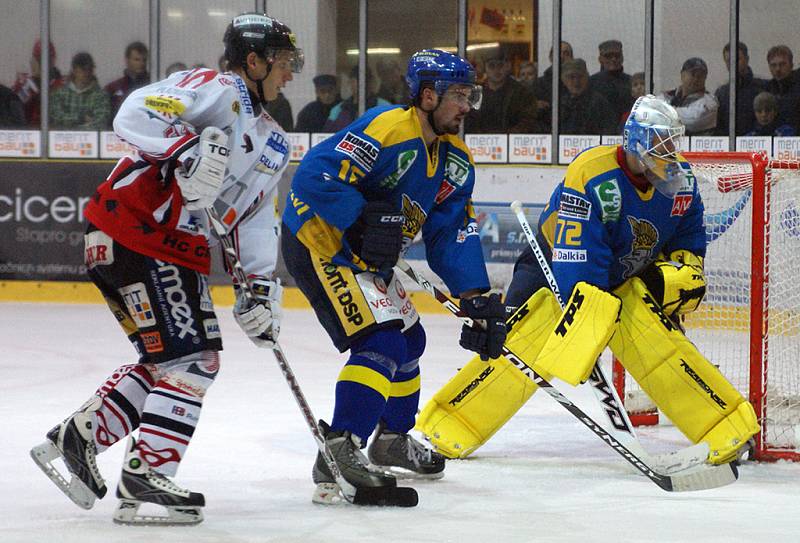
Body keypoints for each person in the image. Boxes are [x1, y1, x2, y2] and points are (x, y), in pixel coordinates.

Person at [30, 12, 303, 525]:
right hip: (141, 232)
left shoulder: (272, 143)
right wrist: (185, 150)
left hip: (149, 244)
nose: (291, 73)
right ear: (254, 61)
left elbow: (254, 219)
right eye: (284, 62)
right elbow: (136, 112)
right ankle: (145, 474)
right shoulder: (217, 87)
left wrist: (262, 287)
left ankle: (79, 437)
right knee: (195, 359)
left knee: (167, 360)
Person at [418, 95, 759, 466]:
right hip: (550, 269)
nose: (669, 151)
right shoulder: (594, 174)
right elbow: (578, 258)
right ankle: (444, 430)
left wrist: (677, 277)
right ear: (636, 140)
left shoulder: (681, 183)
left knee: (661, 347)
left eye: (672, 141)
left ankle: (728, 431)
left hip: (620, 277)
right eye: (661, 141)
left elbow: (688, 238)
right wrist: (588, 324)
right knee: (515, 351)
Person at [282, 49, 506, 504]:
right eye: (459, 95)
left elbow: (450, 232)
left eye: (470, 95)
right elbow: (313, 176)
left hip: (368, 255)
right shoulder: (386, 128)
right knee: (381, 342)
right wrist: (361, 218)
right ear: (428, 95)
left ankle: (391, 439)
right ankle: (339, 450)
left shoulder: (456, 160)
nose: (467, 106)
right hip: (322, 242)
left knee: (411, 341)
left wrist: (476, 295)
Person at [464, 51, 540, 133]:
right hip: (478, 143)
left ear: (507, 67)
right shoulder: (476, 93)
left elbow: (528, 121)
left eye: (500, 65)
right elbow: (469, 121)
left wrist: (507, 137)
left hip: (511, 142)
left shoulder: (522, 93)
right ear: (484, 68)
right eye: (491, 66)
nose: (497, 70)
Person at [49, 52, 111, 130]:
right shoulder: (60, 94)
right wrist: (81, 118)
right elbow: (56, 118)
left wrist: (73, 128)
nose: (87, 73)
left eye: (90, 69)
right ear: (74, 70)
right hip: (62, 140)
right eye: (83, 69)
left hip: (91, 140)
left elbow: (101, 121)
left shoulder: (101, 95)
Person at [714, 41, 765, 136]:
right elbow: (718, 125)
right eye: (729, 61)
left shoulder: (762, 87)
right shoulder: (722, 93)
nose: (733, 64)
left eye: (737, 59)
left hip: (756, 144)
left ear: (747, 59)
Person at [657, 57, 718, 135]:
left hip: (694, 146)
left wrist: (663, 112)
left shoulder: (710, 101)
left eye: (701, 76)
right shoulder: (666, 95)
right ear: (682, 75)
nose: (696, 79)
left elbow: (692, 120)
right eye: (693, 74)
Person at [12, 40, 64, 126]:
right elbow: (13, 108)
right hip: (29, 134)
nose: (44, 63)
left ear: (53, 60)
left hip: (55, 133)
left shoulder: (62, 85)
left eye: (47, 59)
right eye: (39, 59)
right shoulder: (25, 84)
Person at [559, 58, 617, 135]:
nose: (576, 81)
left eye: (580, 76)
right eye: (572, 77)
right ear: (564, 79)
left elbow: (609, 130)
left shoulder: (599, 103)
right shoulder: (559, 104)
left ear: (587, 77)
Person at [323, 65, 390, 132]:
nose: (360, 84)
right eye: (355, 81)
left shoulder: (384, 107)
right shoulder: (338, 109)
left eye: (365, 80)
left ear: (371, 82)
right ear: (350, 82)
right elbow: (328, 136)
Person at [589, 40, 634, 122]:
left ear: (622, 58)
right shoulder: (591, 83)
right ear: (600, 59)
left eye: (617, 56)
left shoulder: (632, 82)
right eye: (608, 56)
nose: (613, 59)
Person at [104, 41, 150, 119]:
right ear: (127, 60)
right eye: (137, 59)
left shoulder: (152, 86)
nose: (142, 63)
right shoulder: (113, 88)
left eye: (144, 60)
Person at [533, 40, 572, 128]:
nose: (561, 56)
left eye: (566, 53)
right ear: (550, 57)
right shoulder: (538, 84)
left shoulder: (578, 85)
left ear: (571, 58)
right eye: (558, 53)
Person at [764, 45, 800, 131]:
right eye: (773, 65)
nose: (778, 69)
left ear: (791, 65)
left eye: (782, 64)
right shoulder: (767, 90)